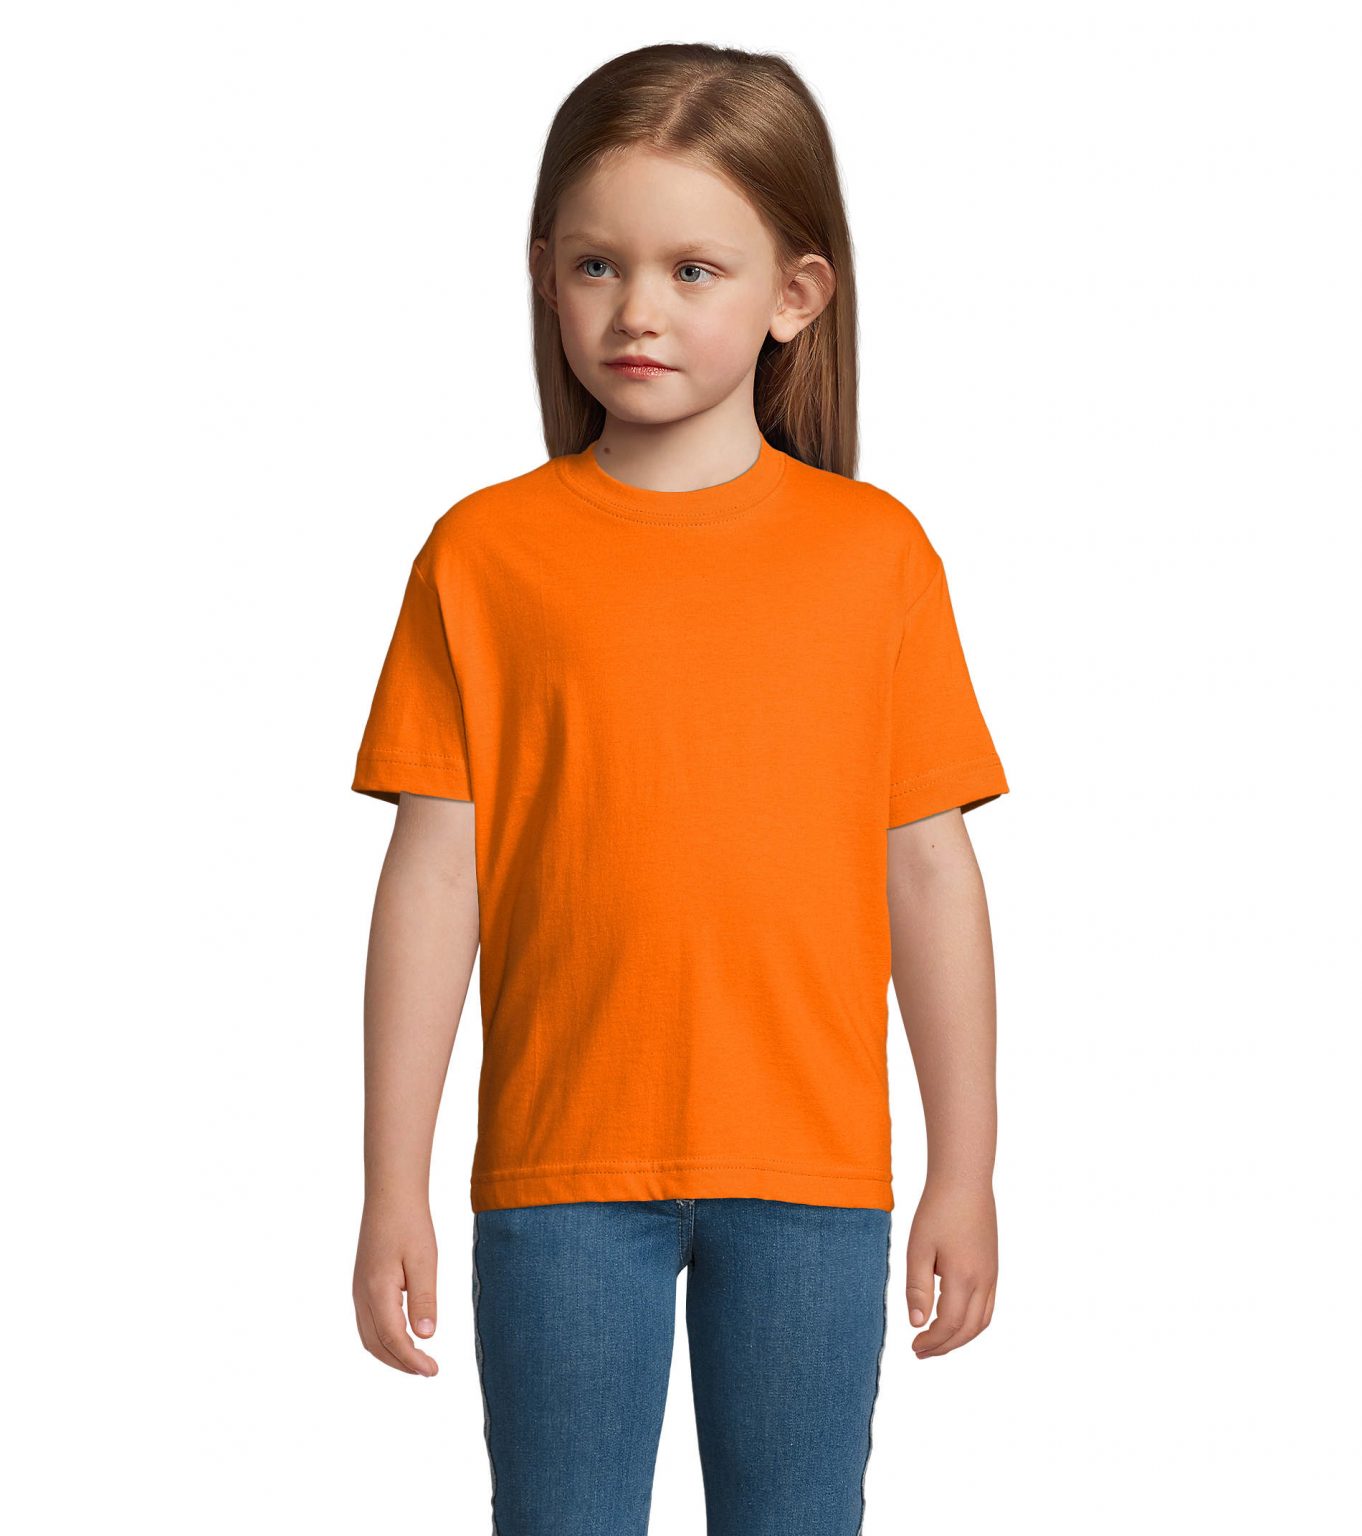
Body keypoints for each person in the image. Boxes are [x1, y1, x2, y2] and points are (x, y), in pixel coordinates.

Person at [349, 41, 1009, 1536]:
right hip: (559, 1171)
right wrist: (392, 1181)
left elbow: (929, 871)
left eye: (691, 270)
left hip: (813, 1172)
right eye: (596, 263)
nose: (635, 309)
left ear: (795, 295)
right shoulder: (483, 556)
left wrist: (964, 1169)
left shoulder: (874, 558)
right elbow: (433, 879)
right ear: (545, 276)